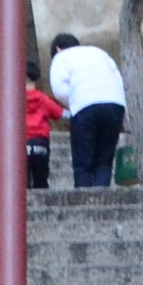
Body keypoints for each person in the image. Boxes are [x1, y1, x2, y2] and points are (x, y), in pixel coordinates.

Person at [46, 29, 128, 191]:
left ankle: (84, 199)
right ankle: (102, 195)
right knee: (104, 159)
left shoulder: (61, 57)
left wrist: (73, 102)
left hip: (85, 105)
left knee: (82, 161)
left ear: (57, 49)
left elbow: (59, 89)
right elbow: (119, 80)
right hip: (115, 104)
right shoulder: (99, 53)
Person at [17, 72, 57, 195]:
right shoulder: (42, 98)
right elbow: (57, 113)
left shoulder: (15, 100)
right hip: (41, 141)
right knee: (41, 179)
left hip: (21, 141)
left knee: (22, 180)